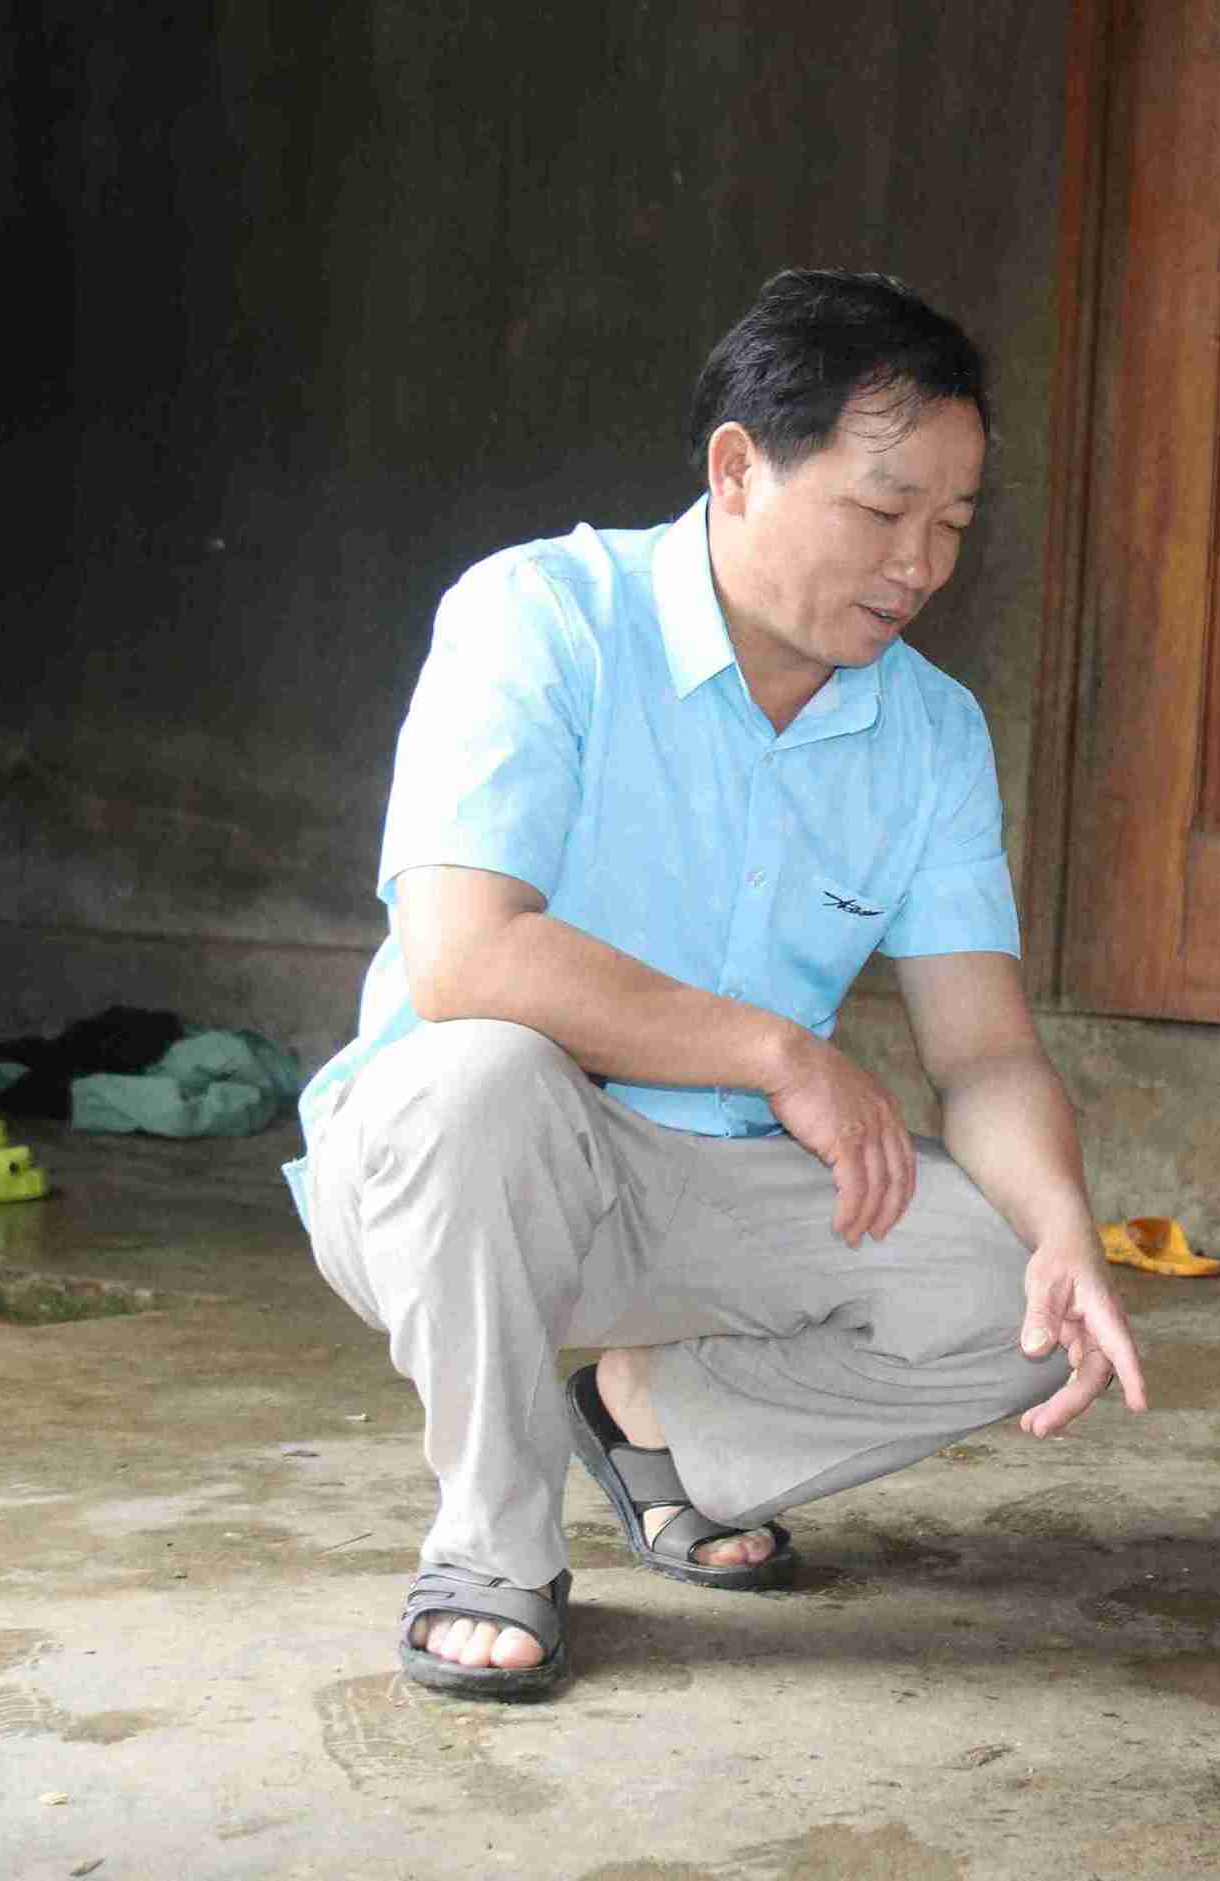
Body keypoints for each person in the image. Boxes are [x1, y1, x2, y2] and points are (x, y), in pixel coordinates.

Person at [286, 269, 1146, 1697]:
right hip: (462, 1180)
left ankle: (656, 1419)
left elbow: (985, 1053)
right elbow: (463, 952)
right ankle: (494, 1544)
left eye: (951, 522)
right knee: (481, 1070)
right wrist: (776, 1051)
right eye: (881, 511)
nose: (920, 564)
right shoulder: (541, 615)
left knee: (1026, 1301)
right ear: (738, 469)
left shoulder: (929, 731)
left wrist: (1064, 1228)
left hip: (713, 1196)